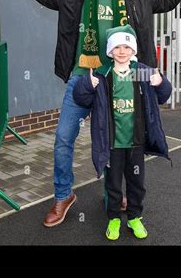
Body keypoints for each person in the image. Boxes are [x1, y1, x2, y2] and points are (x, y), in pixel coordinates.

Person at [14, 0, 181, 227]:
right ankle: (63, 196)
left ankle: (113, 196)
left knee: (118, 142)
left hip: (119, 79)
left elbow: (167, 1)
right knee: (63, 138)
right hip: (82, 77)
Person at [73, 24, 172, 240]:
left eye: (126, 47)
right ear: (110, 51)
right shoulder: (103, 74)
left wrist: (160, 82)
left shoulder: (142, 72)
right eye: (116, 47)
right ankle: (115, 218)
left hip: (135, 142)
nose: (121, 51)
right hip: (113, 143)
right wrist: (86, 85)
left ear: (133, 50)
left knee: (136, 183)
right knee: (113, 184)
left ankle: (135, 217)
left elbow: (164, 95)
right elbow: (80, 98)